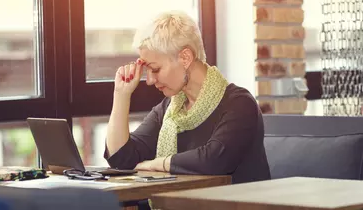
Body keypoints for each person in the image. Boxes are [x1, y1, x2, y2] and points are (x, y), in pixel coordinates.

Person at [104, 10, 271, 185]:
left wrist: (158, 163)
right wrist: (121, 94)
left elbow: (214, 160)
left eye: (155, 69)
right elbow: (121, 158)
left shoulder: (240, 104)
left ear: (185, 57)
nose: (150, 81)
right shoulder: (170, 109)